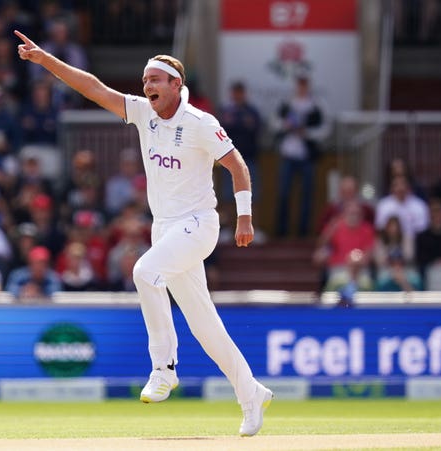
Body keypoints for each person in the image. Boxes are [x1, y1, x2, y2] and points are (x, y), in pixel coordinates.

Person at [15, 30, 272, 436]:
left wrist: (244, 217)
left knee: (143, 272)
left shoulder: (201, 123)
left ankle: (164, 368)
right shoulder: (142, 113)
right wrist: (45, 60)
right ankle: (250, 393)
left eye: (155, 79)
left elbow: (238, 166)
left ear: (176, 85)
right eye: (145, 80)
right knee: (205, 326)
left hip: (199, 224)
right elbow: (93, 87)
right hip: (166, 229)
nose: (147, 85)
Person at [271, 69, 330, 237]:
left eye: (305, 83)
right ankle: (281, 231)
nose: (302, 87)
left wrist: (308, 133)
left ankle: (303, 232)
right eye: (299, 83)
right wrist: (285, 126)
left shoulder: (317, 104)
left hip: (307, 156)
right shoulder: (286, 103)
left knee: (307, 195)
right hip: (288, 154)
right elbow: (273, 123)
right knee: (283, 193)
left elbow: (325, 129)